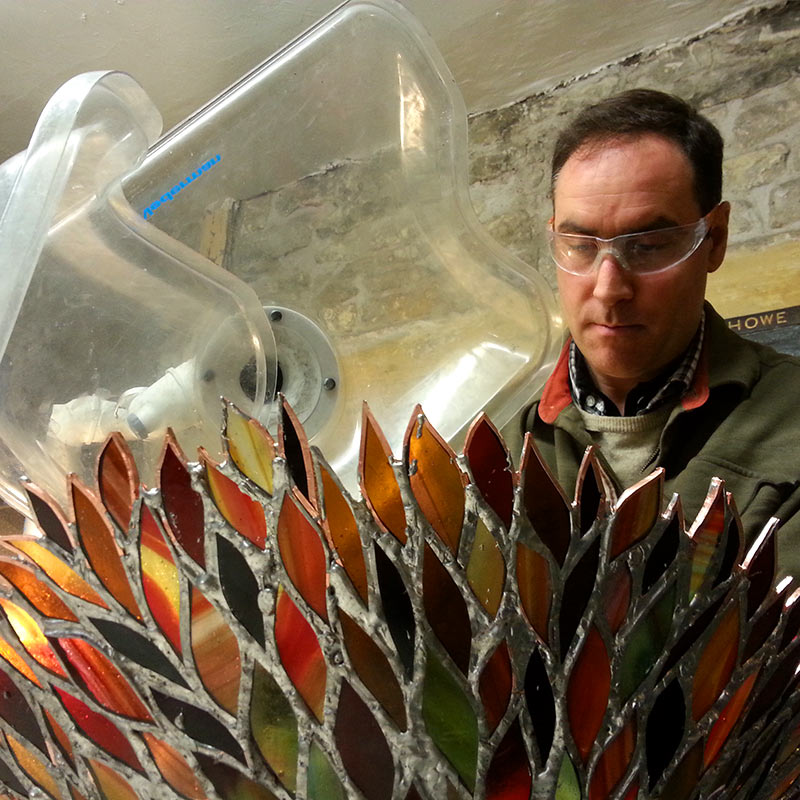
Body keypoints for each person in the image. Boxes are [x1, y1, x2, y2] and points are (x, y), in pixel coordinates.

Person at [524, 88, 800, 579]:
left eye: (648, 245)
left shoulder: (792, 421)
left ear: (714, 237)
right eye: (580, 245)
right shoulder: (499, 440)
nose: (609, 289)